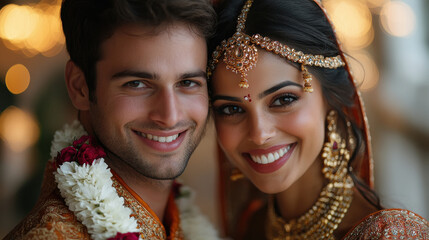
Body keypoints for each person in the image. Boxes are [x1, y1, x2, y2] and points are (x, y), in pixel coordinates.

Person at [208, 0, 429, 239]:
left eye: (283, 100)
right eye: (231, 109)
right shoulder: (252, 226)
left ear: (330, 99)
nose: (259, 134)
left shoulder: (387, 236)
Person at [5, 0, 219, 239]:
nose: (170, 116)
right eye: (137, 84)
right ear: (80, 87)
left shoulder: (180, 219)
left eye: (187, 83)